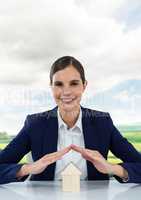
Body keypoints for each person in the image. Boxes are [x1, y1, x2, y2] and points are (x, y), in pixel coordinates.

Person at [0, 56, 141, 185]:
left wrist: (112, 168)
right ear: (51, 87)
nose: (66, 92)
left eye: (74, 83)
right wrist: (28, 169)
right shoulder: (35, 124)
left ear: (84, 85)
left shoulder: (102, 122)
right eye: (59, 84)